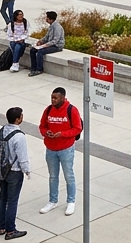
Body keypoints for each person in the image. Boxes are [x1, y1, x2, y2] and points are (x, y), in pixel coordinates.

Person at [38, 87, 82, 216]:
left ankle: (71, 201)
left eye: (55, 98)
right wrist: (47, 132)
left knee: (69, 175)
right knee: (53, 176)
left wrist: (61, 134)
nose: (53, 100)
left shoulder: (72, 110)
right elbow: (42, 126)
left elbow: (77, 128)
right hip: (51, 149)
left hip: (66, 149)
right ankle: (53, 200)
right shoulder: (48, 110)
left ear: (63, 98)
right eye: (52, 97)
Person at [0, 106, 31, 239]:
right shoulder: (19, 137)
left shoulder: (1, 131)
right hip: (14, 172)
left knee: (2, 197)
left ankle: (2, 226)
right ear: (17, 119)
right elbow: (22, 157)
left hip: (2, 170)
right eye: (21, 115)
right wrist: (27, 171)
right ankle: (11, 230)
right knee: (12, 201)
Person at [29, 11, 65, 77]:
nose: (46, 19)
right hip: (50, 44)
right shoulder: (51, 26)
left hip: (56, 46)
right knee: (32, 50)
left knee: (40, 52)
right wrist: (41, 41)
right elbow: (47, 36)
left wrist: (45, 45)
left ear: (50, 19)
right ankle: (33, 68)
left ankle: (39, 69)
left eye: (47, 18)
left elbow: (55, 40)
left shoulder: (57, 27)